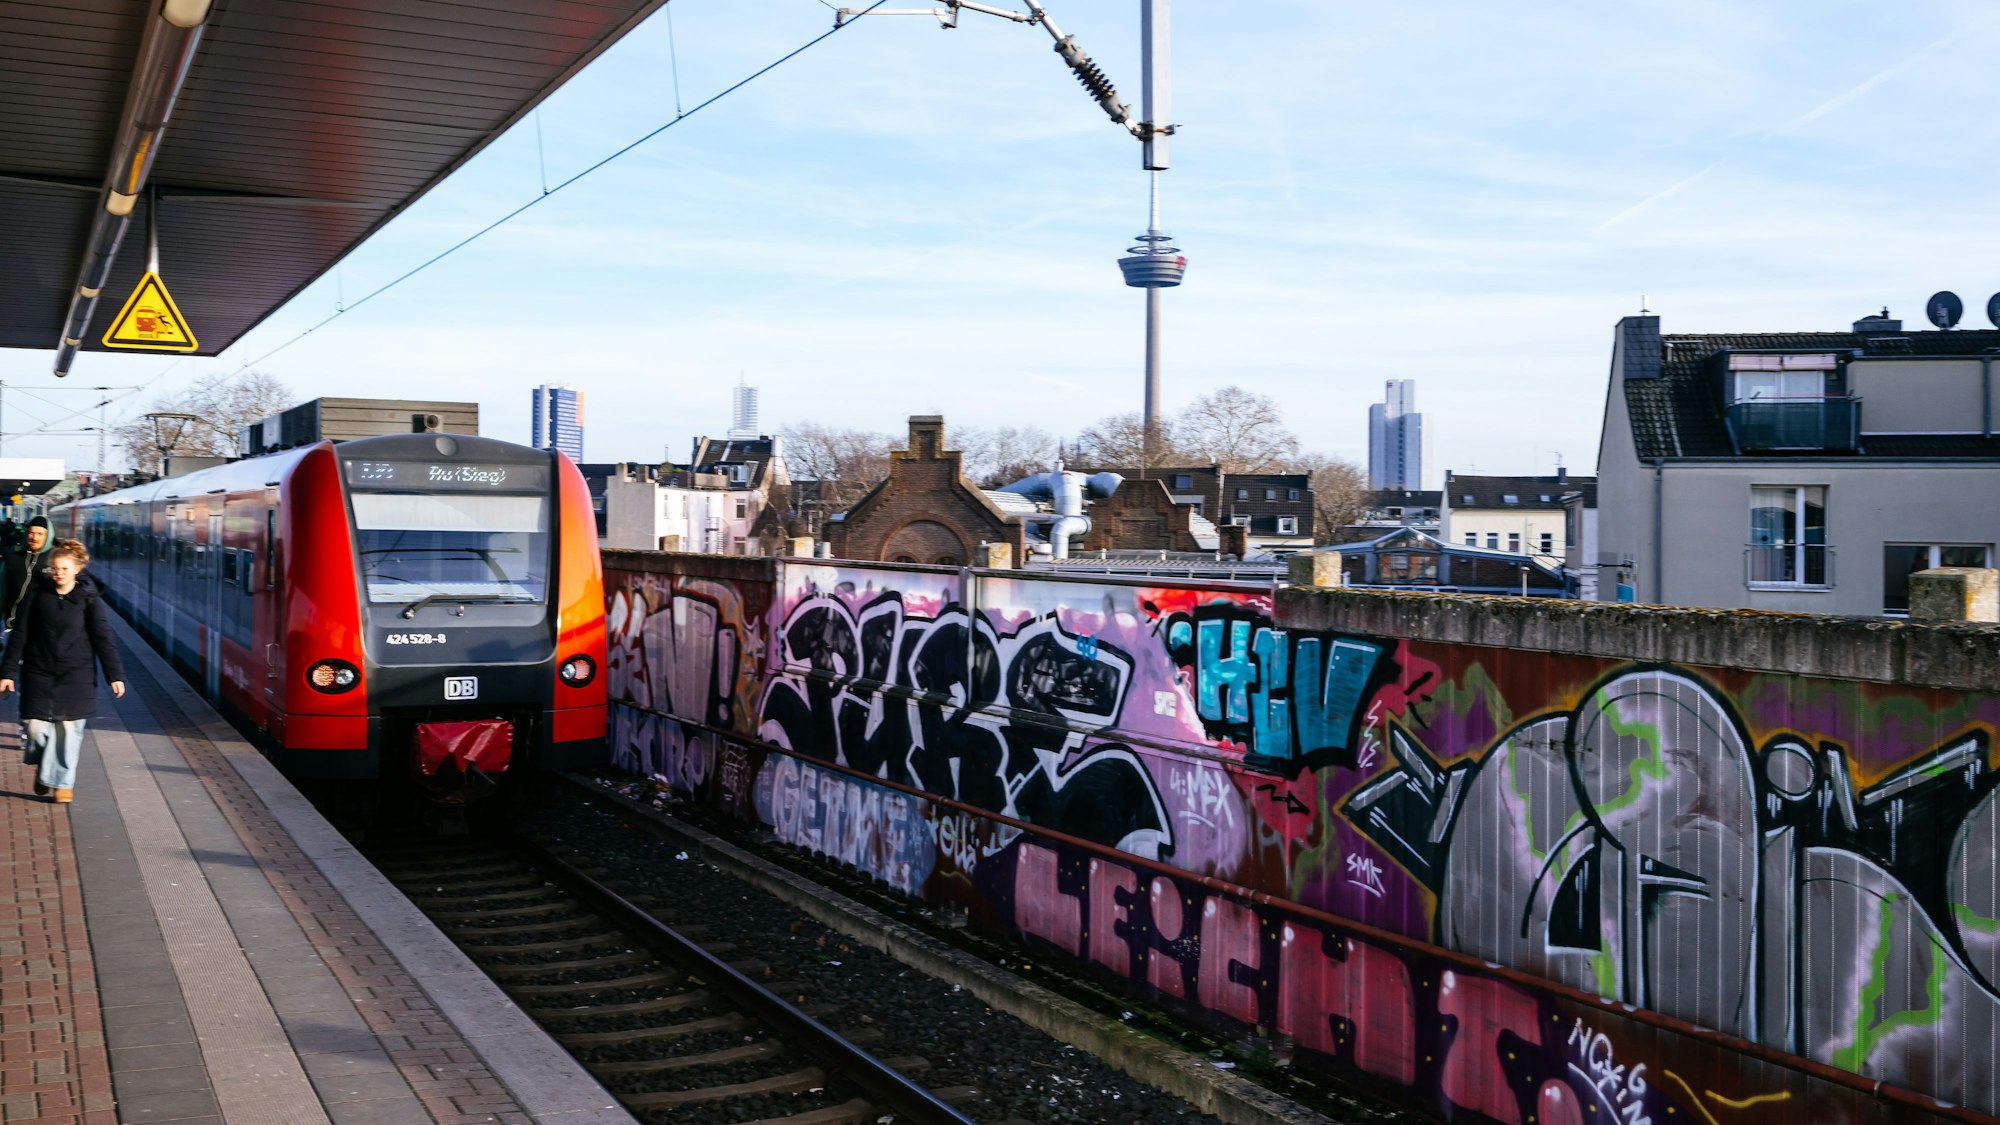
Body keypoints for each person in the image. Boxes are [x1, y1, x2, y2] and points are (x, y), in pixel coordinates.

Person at [0, 539, 125, 803]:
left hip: (76, 674)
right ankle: (47, 770)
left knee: (68, 730)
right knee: (34, 728)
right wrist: (7, 672)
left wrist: (115, 676)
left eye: (64, 569)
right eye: (54, 568)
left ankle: (62, 784)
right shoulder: (36, 597)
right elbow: (19, 636)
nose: (58, 573)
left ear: (77, 570)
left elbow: (103, 639)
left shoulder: (88, 600)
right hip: (38, 671)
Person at [3, 516, 55, 631]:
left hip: (46, 629)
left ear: (48, 536)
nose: (34, 538)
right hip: (14, 626)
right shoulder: (13, 559)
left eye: (40, 534)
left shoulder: (57, 560)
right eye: (31, 533)